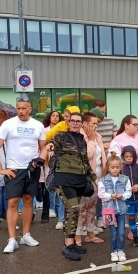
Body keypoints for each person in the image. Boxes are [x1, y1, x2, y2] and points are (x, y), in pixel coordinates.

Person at [0, 99, 45, 254]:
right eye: (18, 108)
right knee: (13, 202)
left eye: (24, 108)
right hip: (14, 170)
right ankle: (12, 239)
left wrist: (39, 161)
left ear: (30, 109)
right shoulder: (8, 124)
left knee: (28, 200)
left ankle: (26, 235)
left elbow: (43, 148)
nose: (21, 111)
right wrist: (1, 169)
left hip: (32, 169)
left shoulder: (38, 125)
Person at [42, 111, 96, 261]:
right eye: (73, 120)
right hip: (63, 180)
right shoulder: (62, 136)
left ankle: (71, 244)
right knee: (73, 210)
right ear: (68, 122)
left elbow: (85, 162)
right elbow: (52, 143)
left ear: (82, 124)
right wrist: (50, 146)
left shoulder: (82, 140)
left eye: (78, 121)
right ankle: (68, 245)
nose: (75, 123)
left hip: (79, 180)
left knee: (71, 213)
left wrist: (95, 179)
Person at [98, 155, 132, 262]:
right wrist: (110, 196)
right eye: (113, 167)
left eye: (117, 167)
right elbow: (101, 194)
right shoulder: (103, 181)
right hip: (109, 211)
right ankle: (114, 251)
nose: (115, 169)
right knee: (113, 233)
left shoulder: (124, 179)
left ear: (120, 167)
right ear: (108, 168)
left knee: (121, 233)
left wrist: (122, 195)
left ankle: (121, 250)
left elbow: (129, 192)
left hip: (121, 210)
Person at [78, 112, 105, 244]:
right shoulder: (81, 137)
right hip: (86, 178)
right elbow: (88, 155)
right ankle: (77, 236)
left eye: (97, 123)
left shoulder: (97, 136)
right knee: (82, 208)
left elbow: (102, 157)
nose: (96, 126)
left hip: (98, 177)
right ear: (85, 124)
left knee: (92, 207)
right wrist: (91, 139)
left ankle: (90, 233)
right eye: (93, 123)